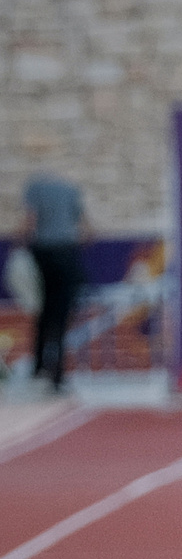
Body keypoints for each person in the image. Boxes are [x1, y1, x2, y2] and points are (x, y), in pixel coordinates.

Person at [20, 166, 90, 392]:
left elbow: (30, 220)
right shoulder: (70, 189)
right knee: (61, 314)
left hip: (43, 254)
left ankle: (39, 367)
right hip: (65, 254)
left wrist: (19, 245)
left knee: (44, 311)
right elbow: (87, 228)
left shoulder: (35, 187)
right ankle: (57, 374)